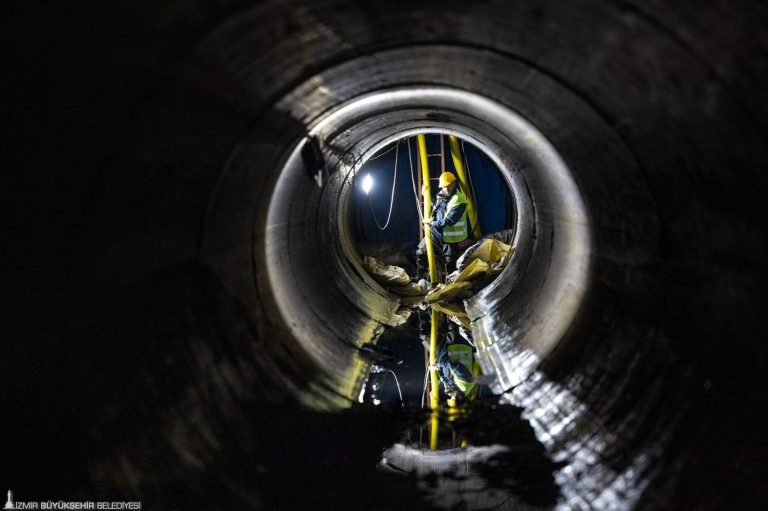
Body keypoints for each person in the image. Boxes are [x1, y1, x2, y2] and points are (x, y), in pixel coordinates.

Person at [417, 171, 470, 272]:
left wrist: (431, 222)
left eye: (448, 185)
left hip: (451, 240)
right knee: (421, 253)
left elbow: (449, 221)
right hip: (436, 234)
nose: (446, 189)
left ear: (453, 184)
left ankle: (450, 281)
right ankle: (421, 277)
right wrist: (426, 197)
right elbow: (438, 208)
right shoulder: (442, 196)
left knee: (450, 264)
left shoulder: (459, 200)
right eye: (444, 186)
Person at [432, 336, 477, 404]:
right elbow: (453, 365)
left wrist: (446, 385)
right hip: (458, 342)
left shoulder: (452, 386)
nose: (451, 396)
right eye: (453, 398)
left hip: (448, 345)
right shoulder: (465, 385)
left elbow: (445, 373)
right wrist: (438, 364)